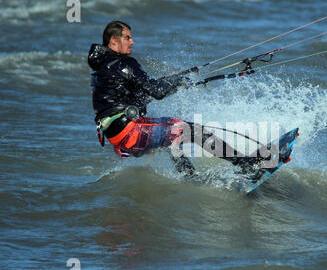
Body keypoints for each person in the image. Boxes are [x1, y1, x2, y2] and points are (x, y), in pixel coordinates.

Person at [88, 20, 269, 176]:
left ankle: (189, 177)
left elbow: (139, 95)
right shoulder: (124, 64)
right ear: (114, 40)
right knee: (194, 130)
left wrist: (175, 81)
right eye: (127, 37)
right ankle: (246, 165)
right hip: (131, 132)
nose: (132, 41)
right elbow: (157, 92)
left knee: (171, 139)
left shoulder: (102, 69)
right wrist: (178, 82)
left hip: (119, 140)